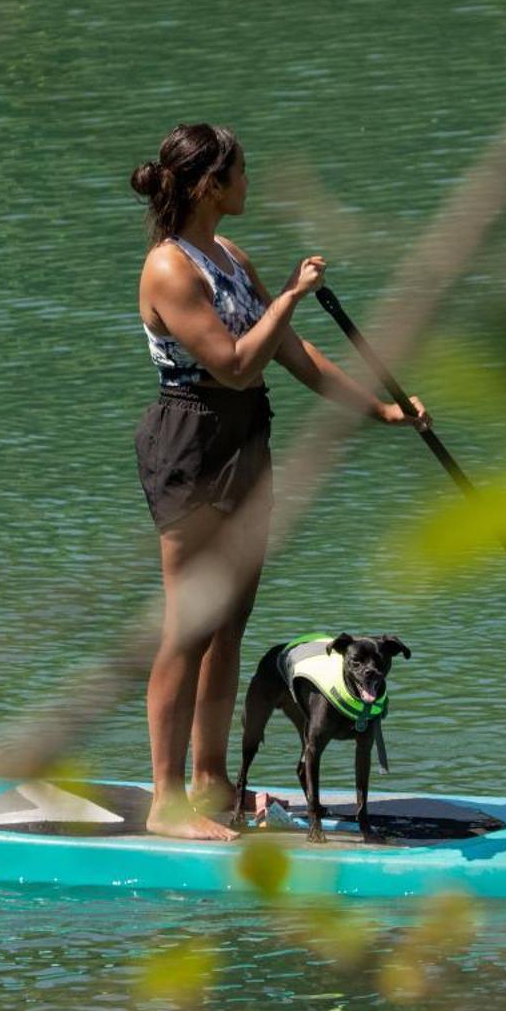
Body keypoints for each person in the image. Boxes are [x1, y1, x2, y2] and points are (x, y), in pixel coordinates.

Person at [131, 123, 427, 840]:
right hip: (193, 443)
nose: (248, 183)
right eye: (240, 172)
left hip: (245, 439)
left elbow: (291, 353)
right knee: (188, 628)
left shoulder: (229, 254)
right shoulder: (170, 270)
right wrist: (291, 295)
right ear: (210, 185)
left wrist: (379, 407)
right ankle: (166, 801)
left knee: (228, 627)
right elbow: (234, 361)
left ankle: (210, 782)